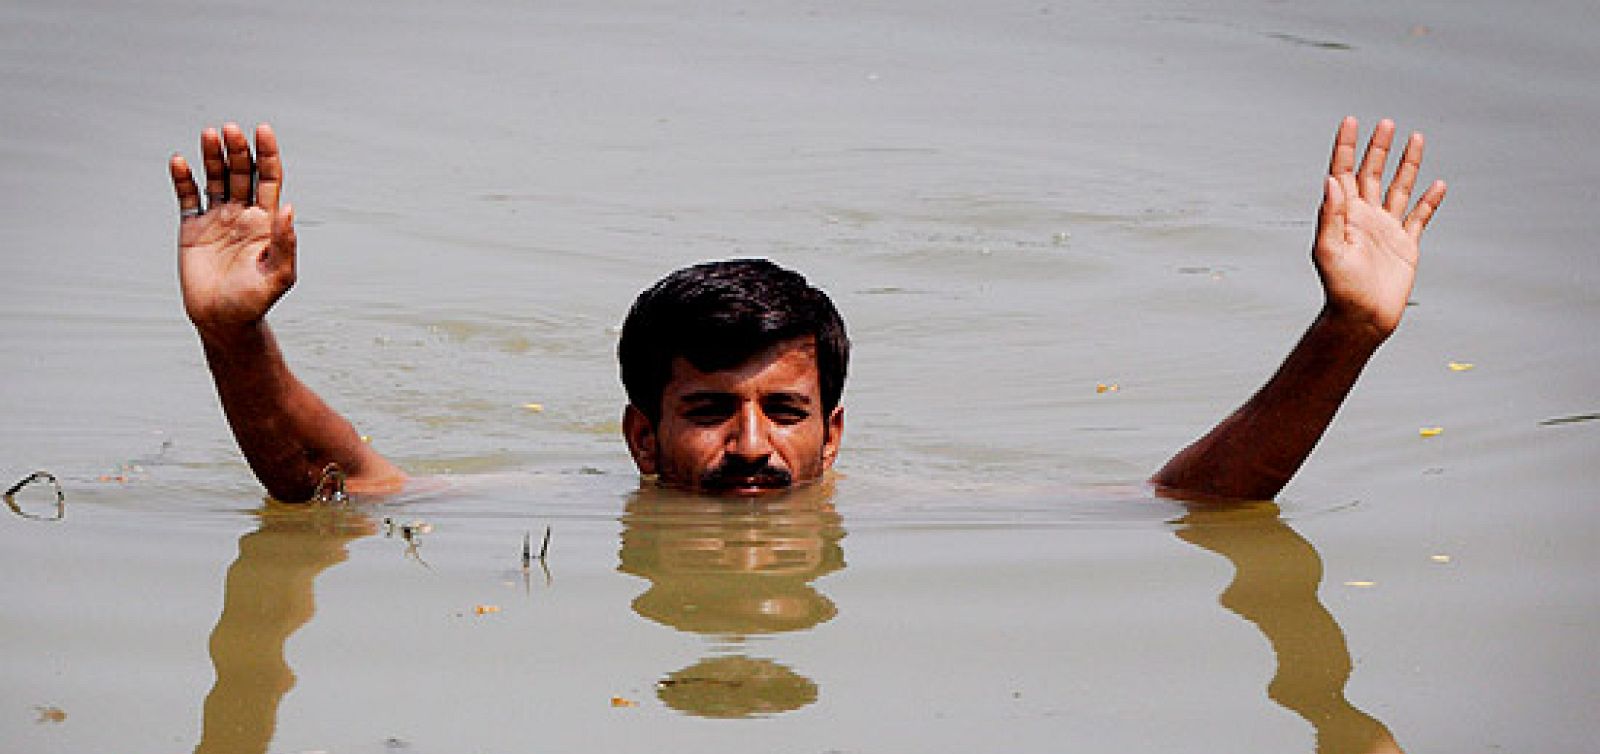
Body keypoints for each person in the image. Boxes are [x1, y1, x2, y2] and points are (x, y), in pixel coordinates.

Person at [166, 117, 1444, 503]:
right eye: (708, 411)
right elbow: (332, 485)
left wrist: (1344, 332)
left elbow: (1196, 503)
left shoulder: (906, 509)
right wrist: (238, 329)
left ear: (837, 435)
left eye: (785, 411)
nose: (751, 447)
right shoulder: (572, 506)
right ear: (639, 436)